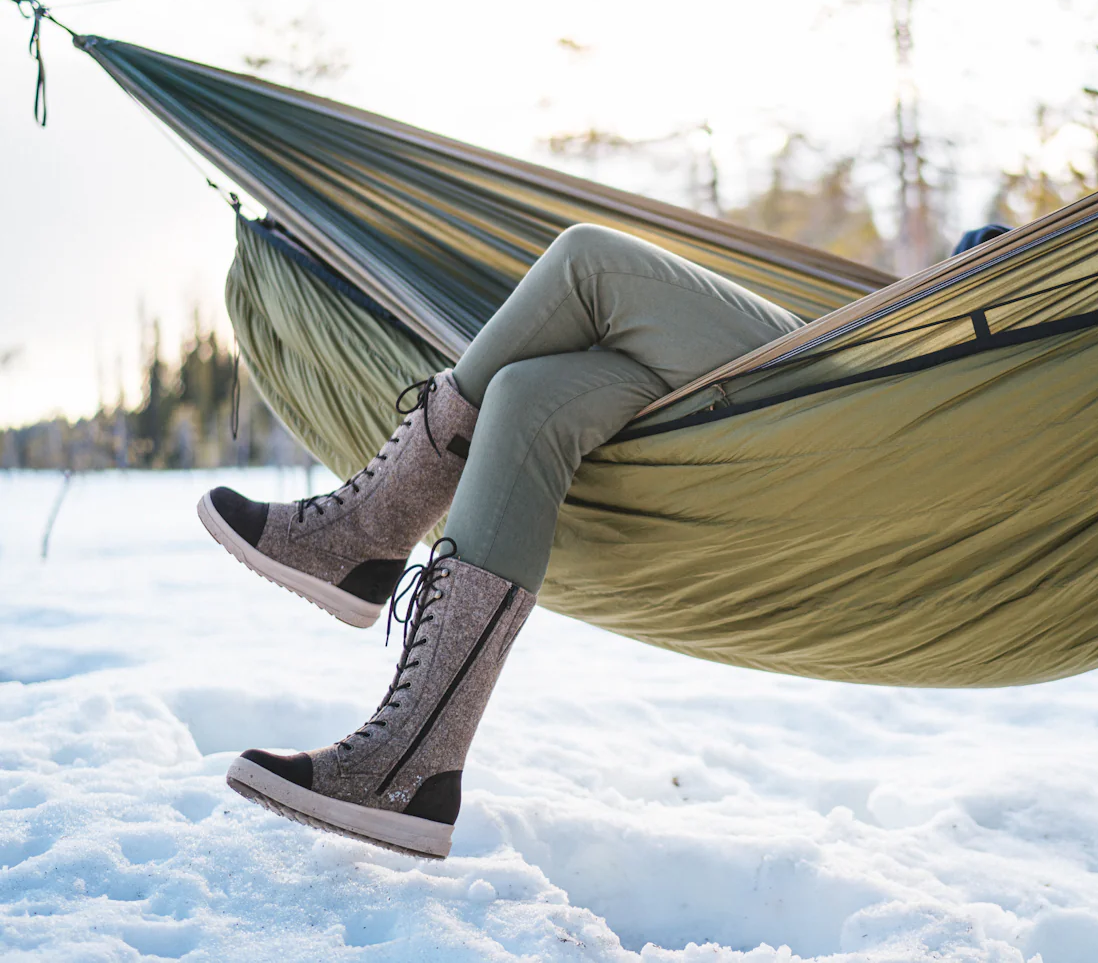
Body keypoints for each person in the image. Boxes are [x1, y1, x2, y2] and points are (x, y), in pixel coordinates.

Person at [198, 223, 806, 858]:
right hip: (717, 374)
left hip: (861, 371)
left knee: (586, 260)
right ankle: (411, 764)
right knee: (523, 398)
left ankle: (366, 533)